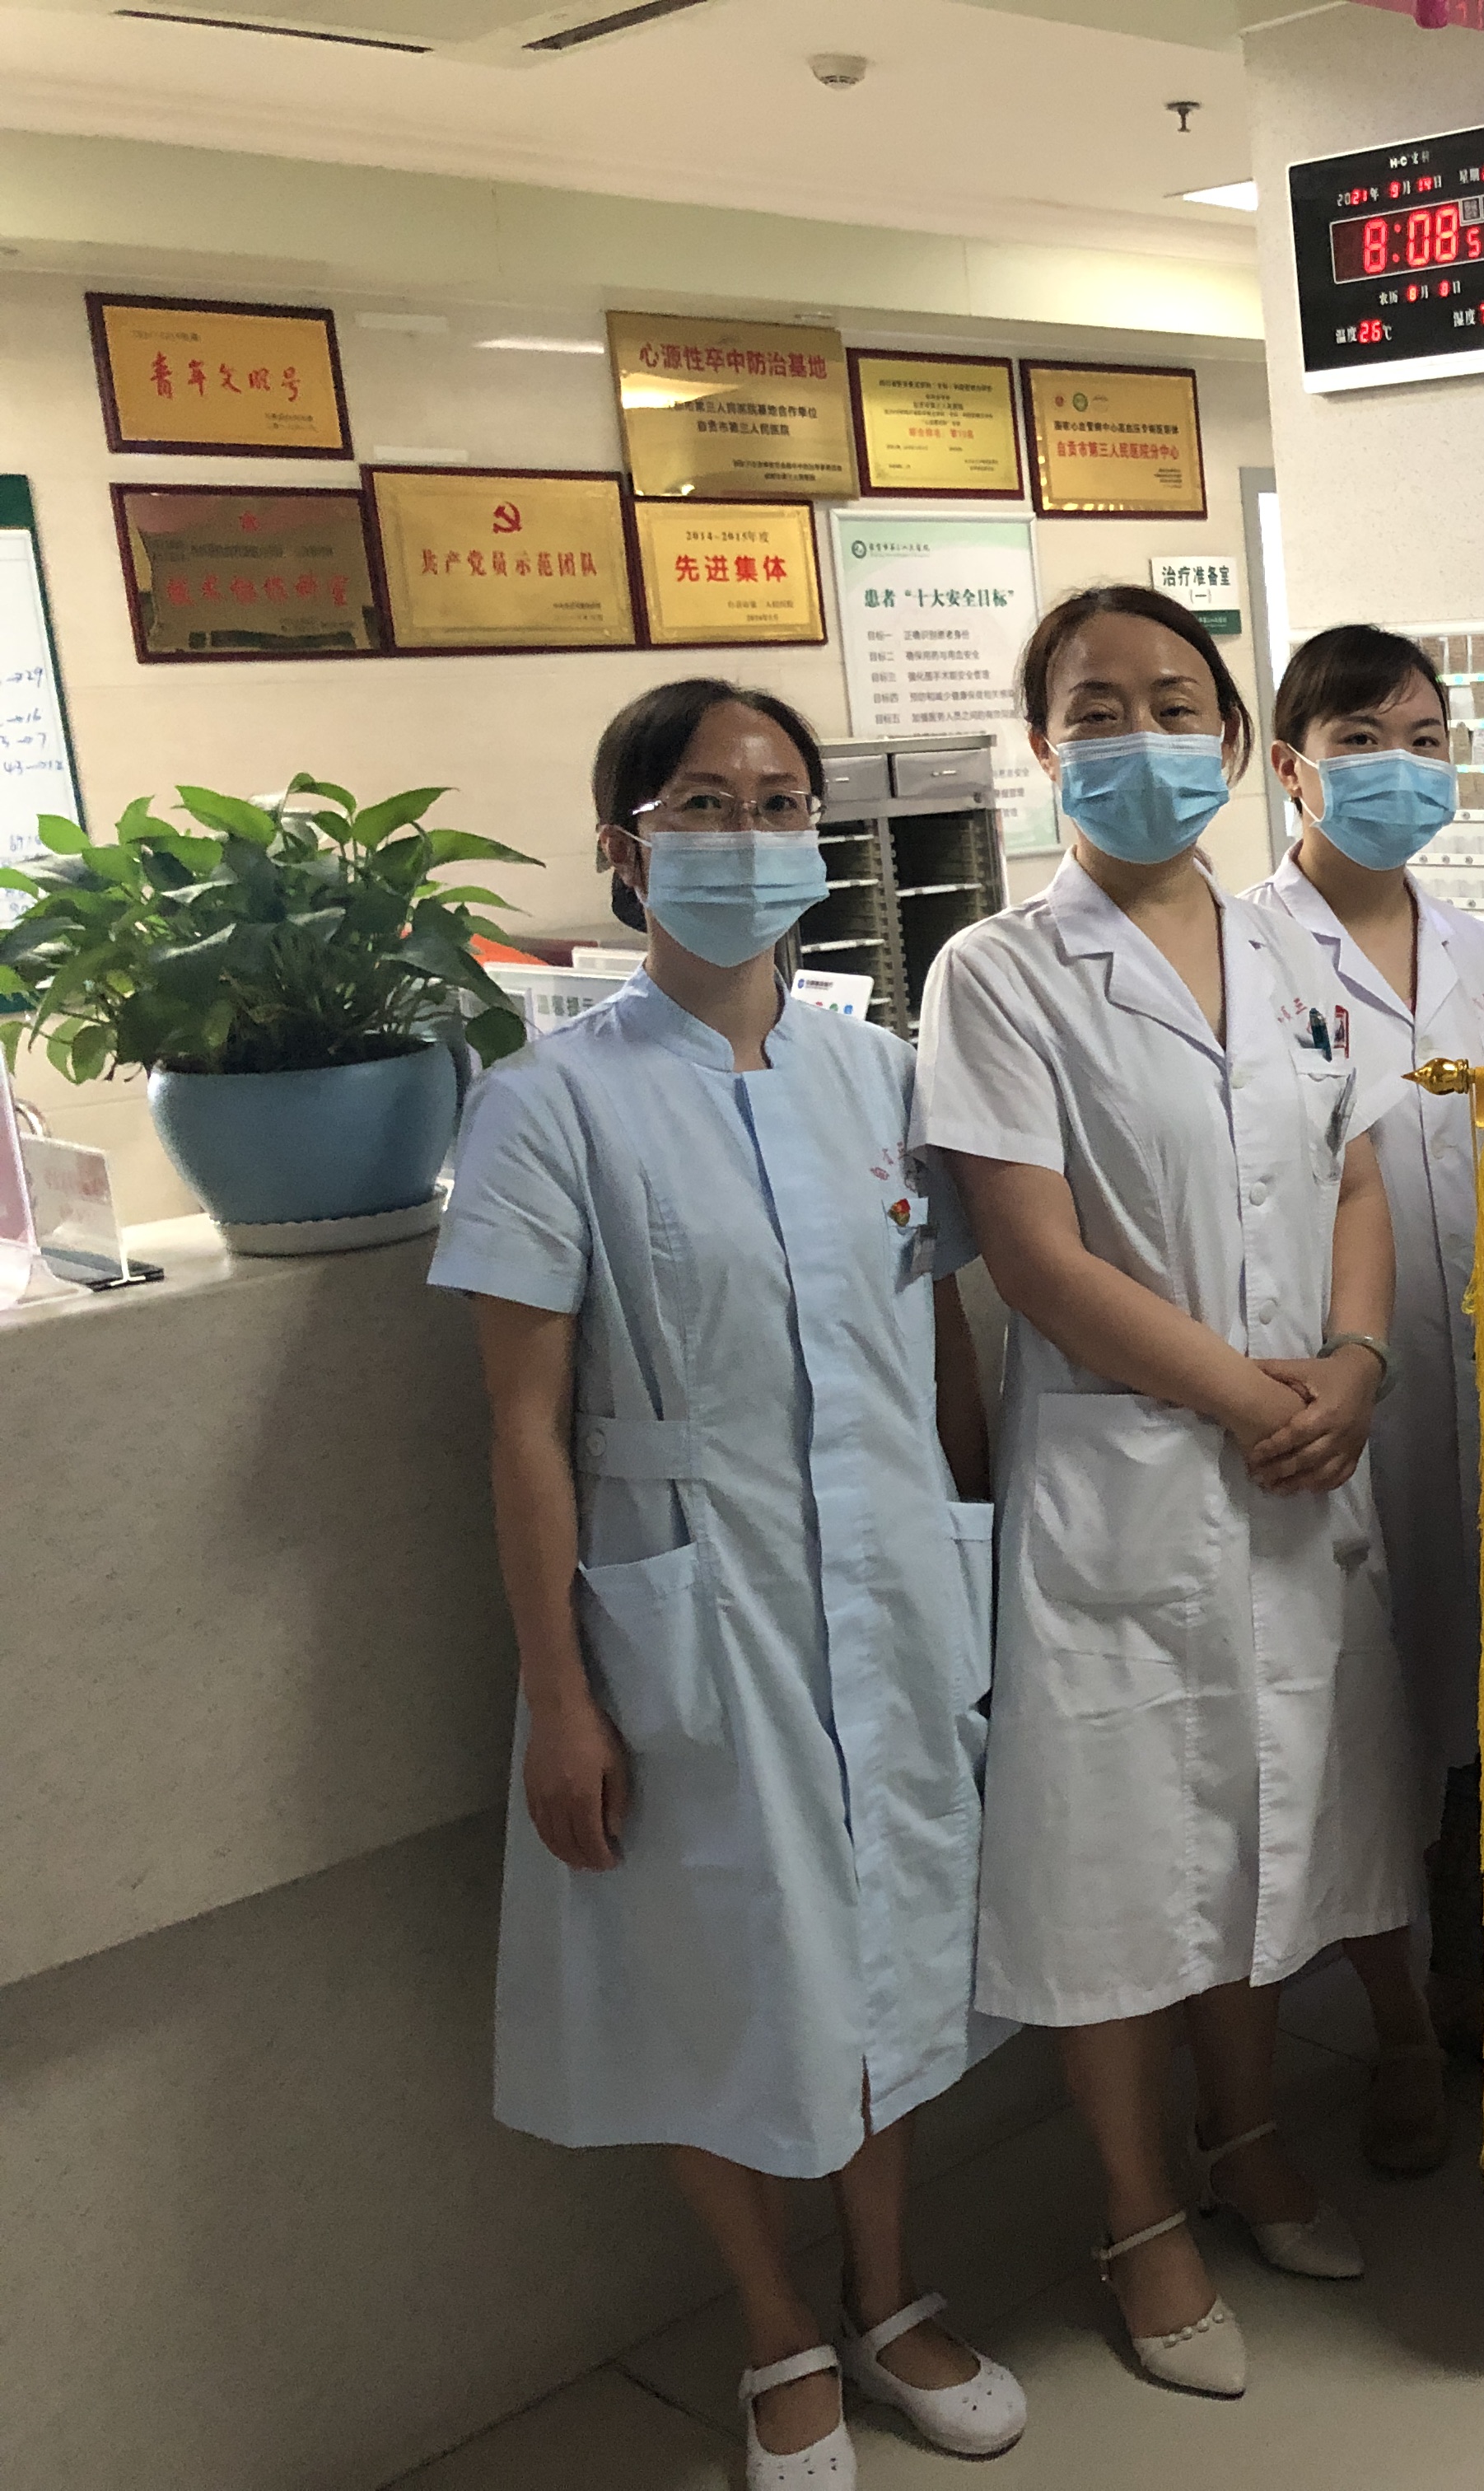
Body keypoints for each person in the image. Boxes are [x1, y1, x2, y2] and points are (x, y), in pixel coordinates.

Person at [437, 680, 1025, 2489]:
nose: (748, 837)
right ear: (625, 850)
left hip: (896, 1582)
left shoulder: (883, 1075)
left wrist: (974, 1553)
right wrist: (561, 1695)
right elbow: (524, 1426)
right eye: (702, 805)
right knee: (716, 1966)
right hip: (688, 1606)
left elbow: (943, 1343)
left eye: (779, 804)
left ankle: (890, 2294)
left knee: (892, 1945)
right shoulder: (548, 1104)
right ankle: (777, 2329)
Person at [917, 585, 1421, 2402]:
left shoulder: (1295, 948)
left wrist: (1356, 1363)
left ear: (1229, 735)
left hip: (1299, 1460)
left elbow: (1358, 1177)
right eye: (1096, 708)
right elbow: (1034, 1259)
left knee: (1270, 1831)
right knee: (1124, 1868)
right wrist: (1253, 1397)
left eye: (1174, 700)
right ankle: (1139, 2214)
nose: (1142, 735)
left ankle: (1250, 2139)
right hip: (1127, 1478)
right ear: (1042, 746)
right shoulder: (997, 973)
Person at [1239, 623, 1484, 2169]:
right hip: (1331, 1394)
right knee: (1361, 1725)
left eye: (1425, 739)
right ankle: (1401, 2029)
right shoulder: (1241, 953)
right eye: (1361, 739)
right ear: (1294, 766)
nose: (1399, 767)